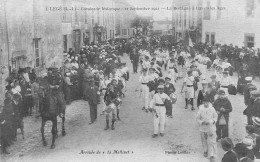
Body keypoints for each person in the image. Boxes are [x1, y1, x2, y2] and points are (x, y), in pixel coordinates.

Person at [197, 98, 218, 162]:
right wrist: (201, 122)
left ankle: (211, 155)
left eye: (207, 102)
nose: (205, 104)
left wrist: (211, 121)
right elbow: (197, 118)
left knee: (212, 141)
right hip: (203, 127)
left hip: (211, 127)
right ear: (203, 102)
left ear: (209, 102)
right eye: (204, 102)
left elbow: (215, 117)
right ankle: (205, 150)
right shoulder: (200, 109)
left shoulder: (212, 109)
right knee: (204, 140)